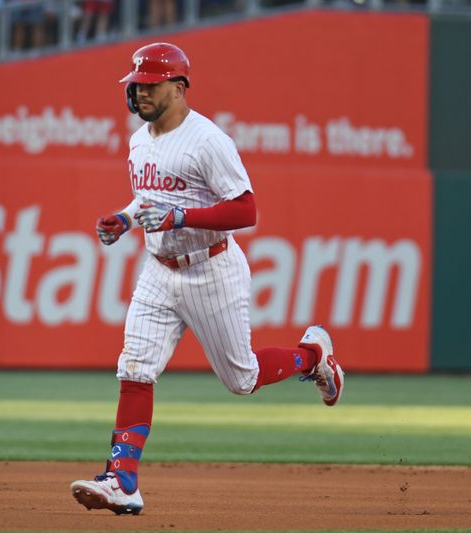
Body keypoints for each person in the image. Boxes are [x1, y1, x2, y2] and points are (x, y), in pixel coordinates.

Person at [69, 42, 345, 515]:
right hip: (159, 270)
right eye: (135, 85)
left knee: (242, 378)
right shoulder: (139, 140)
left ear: (178, 87)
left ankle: (314, 355)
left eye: (149, 84)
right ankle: (122, 480)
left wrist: (178, 217)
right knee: (135, 368)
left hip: (211, 268)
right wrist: (125, 218)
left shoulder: (208, 140)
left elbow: (246, 208)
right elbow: (146, 197)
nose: (139, 93)